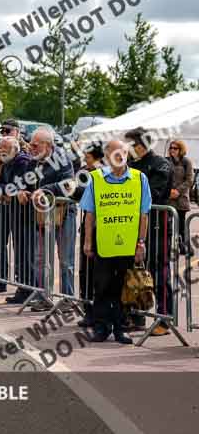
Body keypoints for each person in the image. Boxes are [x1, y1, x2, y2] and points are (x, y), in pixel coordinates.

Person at [80, 139, 151, 345]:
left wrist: (141, 243)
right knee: (101, 287)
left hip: (128, 245)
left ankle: (121, 327)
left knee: (123, 288)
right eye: (115, 152)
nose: (120, 155)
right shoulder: (96, 178)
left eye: (123, 151)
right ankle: (101, 327)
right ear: (107, 155)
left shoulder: (139, 178)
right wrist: (87, 241)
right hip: (103, 243)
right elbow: (90, 214)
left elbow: (143, 214)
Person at [125, 127, 173, 336]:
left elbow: (154, 194)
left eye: (131, 145)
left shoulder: (161, 164)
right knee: (134, 272)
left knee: (159, 272)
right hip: (132, 226)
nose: (127, 150)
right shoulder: (129, 165)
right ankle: (137, 316)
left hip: (156, 226)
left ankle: (164, 318)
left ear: (141, 145)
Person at [20, 128, 76, 310]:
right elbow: (25, 183)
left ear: (48, 145)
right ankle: (44, 297)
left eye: (36, 145)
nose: (32, 148)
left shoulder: (63, 159)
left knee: (65, 260)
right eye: (31, 144)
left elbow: (69, 184)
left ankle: (67, 299)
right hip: (42, 217)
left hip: (64, 214)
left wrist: (46, 190)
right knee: (40, 258)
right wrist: (20, 191)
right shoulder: (32, 163)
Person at [0, 136, 34, 294]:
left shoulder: (23, 161)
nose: (1, 151)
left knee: (20, 248)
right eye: (0, 147)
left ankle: (23, 288)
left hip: (20, 211)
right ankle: (0, 281)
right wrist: (6, 190)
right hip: (4, 208)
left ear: (15, 149)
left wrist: (6, 190)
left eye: (5, 148)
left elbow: (20, 185)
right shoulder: (5, 161)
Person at [72, 143, 104, 329]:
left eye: (88, 155)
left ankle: (98, 313)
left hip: (102, 226)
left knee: (98, 272)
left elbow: (81, 193)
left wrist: (75, 190)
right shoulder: (84, 171)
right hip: (88, 225)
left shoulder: (102, 173)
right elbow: (76, 193)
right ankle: (88, 312)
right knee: (85, 272)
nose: (85, 157)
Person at [166, 139, 193, 254]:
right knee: (168, 225)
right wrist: (169, 191)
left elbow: (189, 180)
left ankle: (185, 247)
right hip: (169, 198)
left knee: (181, 226)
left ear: (180, 149)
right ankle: (167, 248)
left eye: (175, 148)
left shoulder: (186, 162)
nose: (172, 150)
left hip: (181, 198)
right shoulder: (166, 161)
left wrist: (177, 191)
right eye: (171, 148)